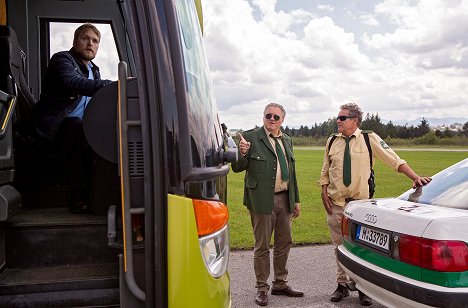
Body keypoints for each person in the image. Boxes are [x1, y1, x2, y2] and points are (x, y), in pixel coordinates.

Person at [319, 103, 432, 306]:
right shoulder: (331, 141)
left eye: (342, 118)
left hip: (360, 208)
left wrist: (414, 177)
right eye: (338, 117)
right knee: (338, 247)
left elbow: (394, 160)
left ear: (355, 121)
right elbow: (326, 169)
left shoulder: (368, 138)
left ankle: (363, 287)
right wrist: (323, 191)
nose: (338, 121)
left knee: (361, 248)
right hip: (336, 204)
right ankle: (342, 285)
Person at [34, 23, 113, 214]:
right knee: (75, 125)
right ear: (75, 41)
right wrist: (114, 84)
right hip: (56, 127)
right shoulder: (62, 59)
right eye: (85, 38)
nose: (90, 44)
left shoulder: (94, 70)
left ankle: (108, 197)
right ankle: (78, 198)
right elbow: (73, 83)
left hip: (81, 127)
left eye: (95, 41)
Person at [231, 103, 303, 306]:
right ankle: (262, 288)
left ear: (282, 120)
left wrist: (295, 199)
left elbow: (292, 174)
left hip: (285, 198)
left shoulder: (287, 140)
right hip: (261, 199)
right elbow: (237, 167)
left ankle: (280, 283)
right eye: (268, 115)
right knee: (262, 246)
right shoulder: (250, 137)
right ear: (263, 117)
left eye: (276, 117)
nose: (272, 119)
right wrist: (242, 152)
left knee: (284, 242)